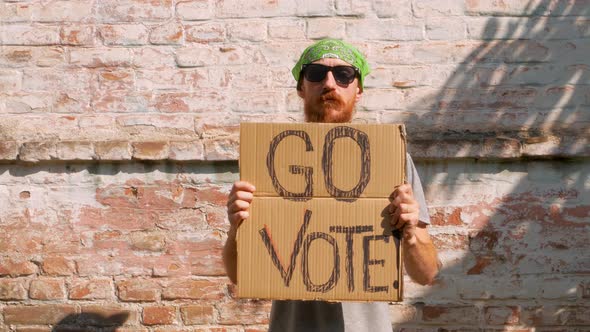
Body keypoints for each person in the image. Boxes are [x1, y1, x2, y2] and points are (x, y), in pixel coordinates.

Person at [223, 39, 440, 332]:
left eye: (343, 75)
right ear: (301, 87)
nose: (329, 83)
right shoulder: (270, 162)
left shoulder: (391, 161)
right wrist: (237, 228)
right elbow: (238, 275)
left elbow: (426, 274)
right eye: (315, 74)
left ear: (358, 89)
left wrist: (412, 235)